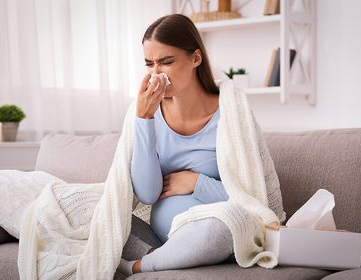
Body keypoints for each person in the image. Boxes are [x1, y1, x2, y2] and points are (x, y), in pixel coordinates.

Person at [119, 14, 279, 276]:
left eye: (167, 62)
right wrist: (144, 119)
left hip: (212, 232)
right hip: (158, 236)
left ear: (195, 58)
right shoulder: (149, 113)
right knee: (94, 210)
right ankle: (166, 257)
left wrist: (196, 183)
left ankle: (138, 266)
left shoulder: (231, 112)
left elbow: (252, 200)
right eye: (150, 64)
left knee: (225, 226)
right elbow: (147, 195)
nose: (157, 75)